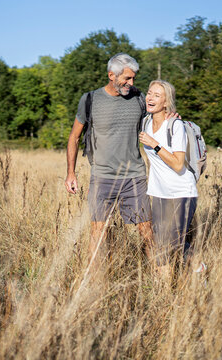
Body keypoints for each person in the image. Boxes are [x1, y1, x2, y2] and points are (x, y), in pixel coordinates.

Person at [64, 53, 154, 273]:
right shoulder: (90, 100)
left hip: (134, 176)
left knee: (147, 231)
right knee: (98, 232)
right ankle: (94, 282)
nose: (131, 84)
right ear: (111, 75)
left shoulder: (139, 99)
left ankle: (159, 279)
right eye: (127, 78)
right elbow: (74, 137)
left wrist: (172, 117)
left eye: (133, 78)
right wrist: (71, 173)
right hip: (102, 177)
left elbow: (159, 118)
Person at [138, 80, 198, 275]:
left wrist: (154, 144)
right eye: (149, 93)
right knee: (165, 244)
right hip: (159, 193)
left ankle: (198, 270)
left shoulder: (175, 125)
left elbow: (178, 163)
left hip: (181, 192)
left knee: (172, 244)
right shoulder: (145, 122)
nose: (150, 97)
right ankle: (164, 295)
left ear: (166, 102)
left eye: (157, 95)